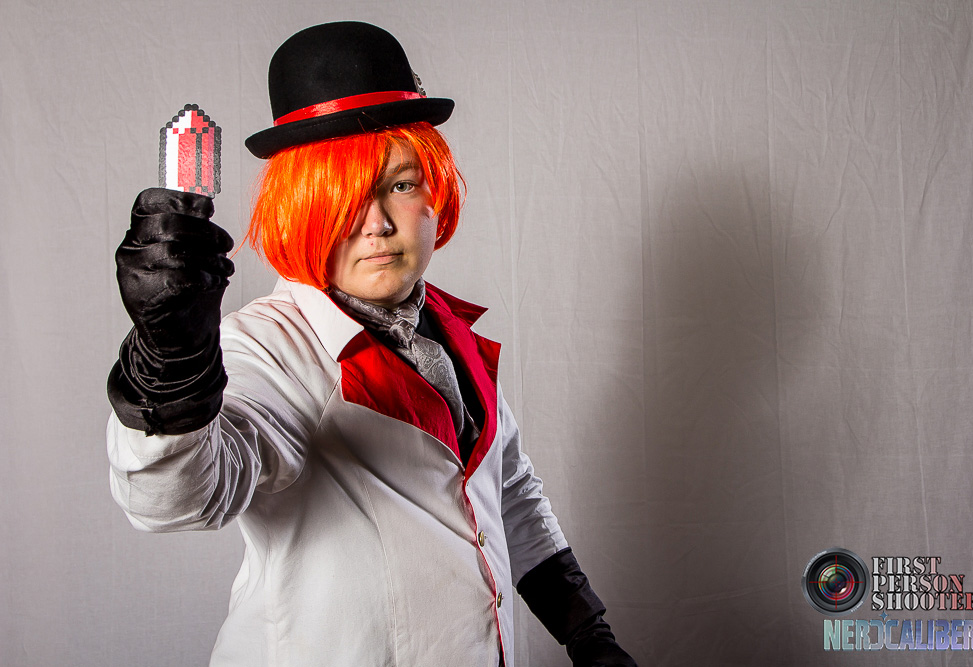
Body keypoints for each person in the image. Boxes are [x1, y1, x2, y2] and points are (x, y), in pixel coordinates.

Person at [107, 21, 637, 667]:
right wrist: (170, 365)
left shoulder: (448, 328)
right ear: (299, 208)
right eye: (341, 196)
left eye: (400, 184)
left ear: (435, 191)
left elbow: (506, 490)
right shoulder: (264, 348)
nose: (378, 223)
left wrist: (588, 633)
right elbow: (181, 498)